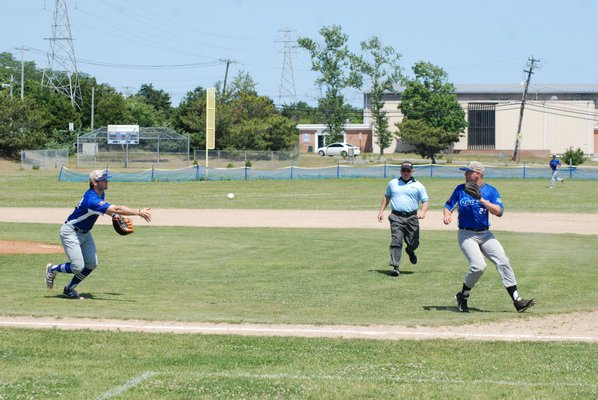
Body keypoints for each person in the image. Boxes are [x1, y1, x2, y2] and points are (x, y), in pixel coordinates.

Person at [443, 161, 535, 313]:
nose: (465, 174)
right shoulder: (460, 189)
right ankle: (463, 296)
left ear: (477, 174)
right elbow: (448, 206)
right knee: (479, 266)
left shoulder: (491, 191)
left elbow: (499, 211)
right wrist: (447, 216)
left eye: (468, 171)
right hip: (466, 234)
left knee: (503, 261)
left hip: (485, 234)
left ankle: (517, 301)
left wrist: (482, 200)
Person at [45, 170, 152, 299]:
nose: (107, 181)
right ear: (94, 183)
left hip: (85, 233)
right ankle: (53, 269)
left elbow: (108, 210)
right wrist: (138, 211)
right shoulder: (91, 199)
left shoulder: (100, 194)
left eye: (106, 178)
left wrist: (115, 215)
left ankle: (69, 289)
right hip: (71, 232)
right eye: (103, 179)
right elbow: (116, 208)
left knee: (91, 264)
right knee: (77, 266)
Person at [377, 161, 429, 276]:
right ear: (400, 171)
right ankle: (395, 266)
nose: (406, 173)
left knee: (413, 243)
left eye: (408, 171)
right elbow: (387, 197)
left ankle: (410, 250)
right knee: (396, 240)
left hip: (412, 218)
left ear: (412, 172)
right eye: (403, 170)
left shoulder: (418, 185)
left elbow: (425, 201)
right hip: (396, 217)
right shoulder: (393, 183)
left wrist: (423, 212)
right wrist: (381, 211)